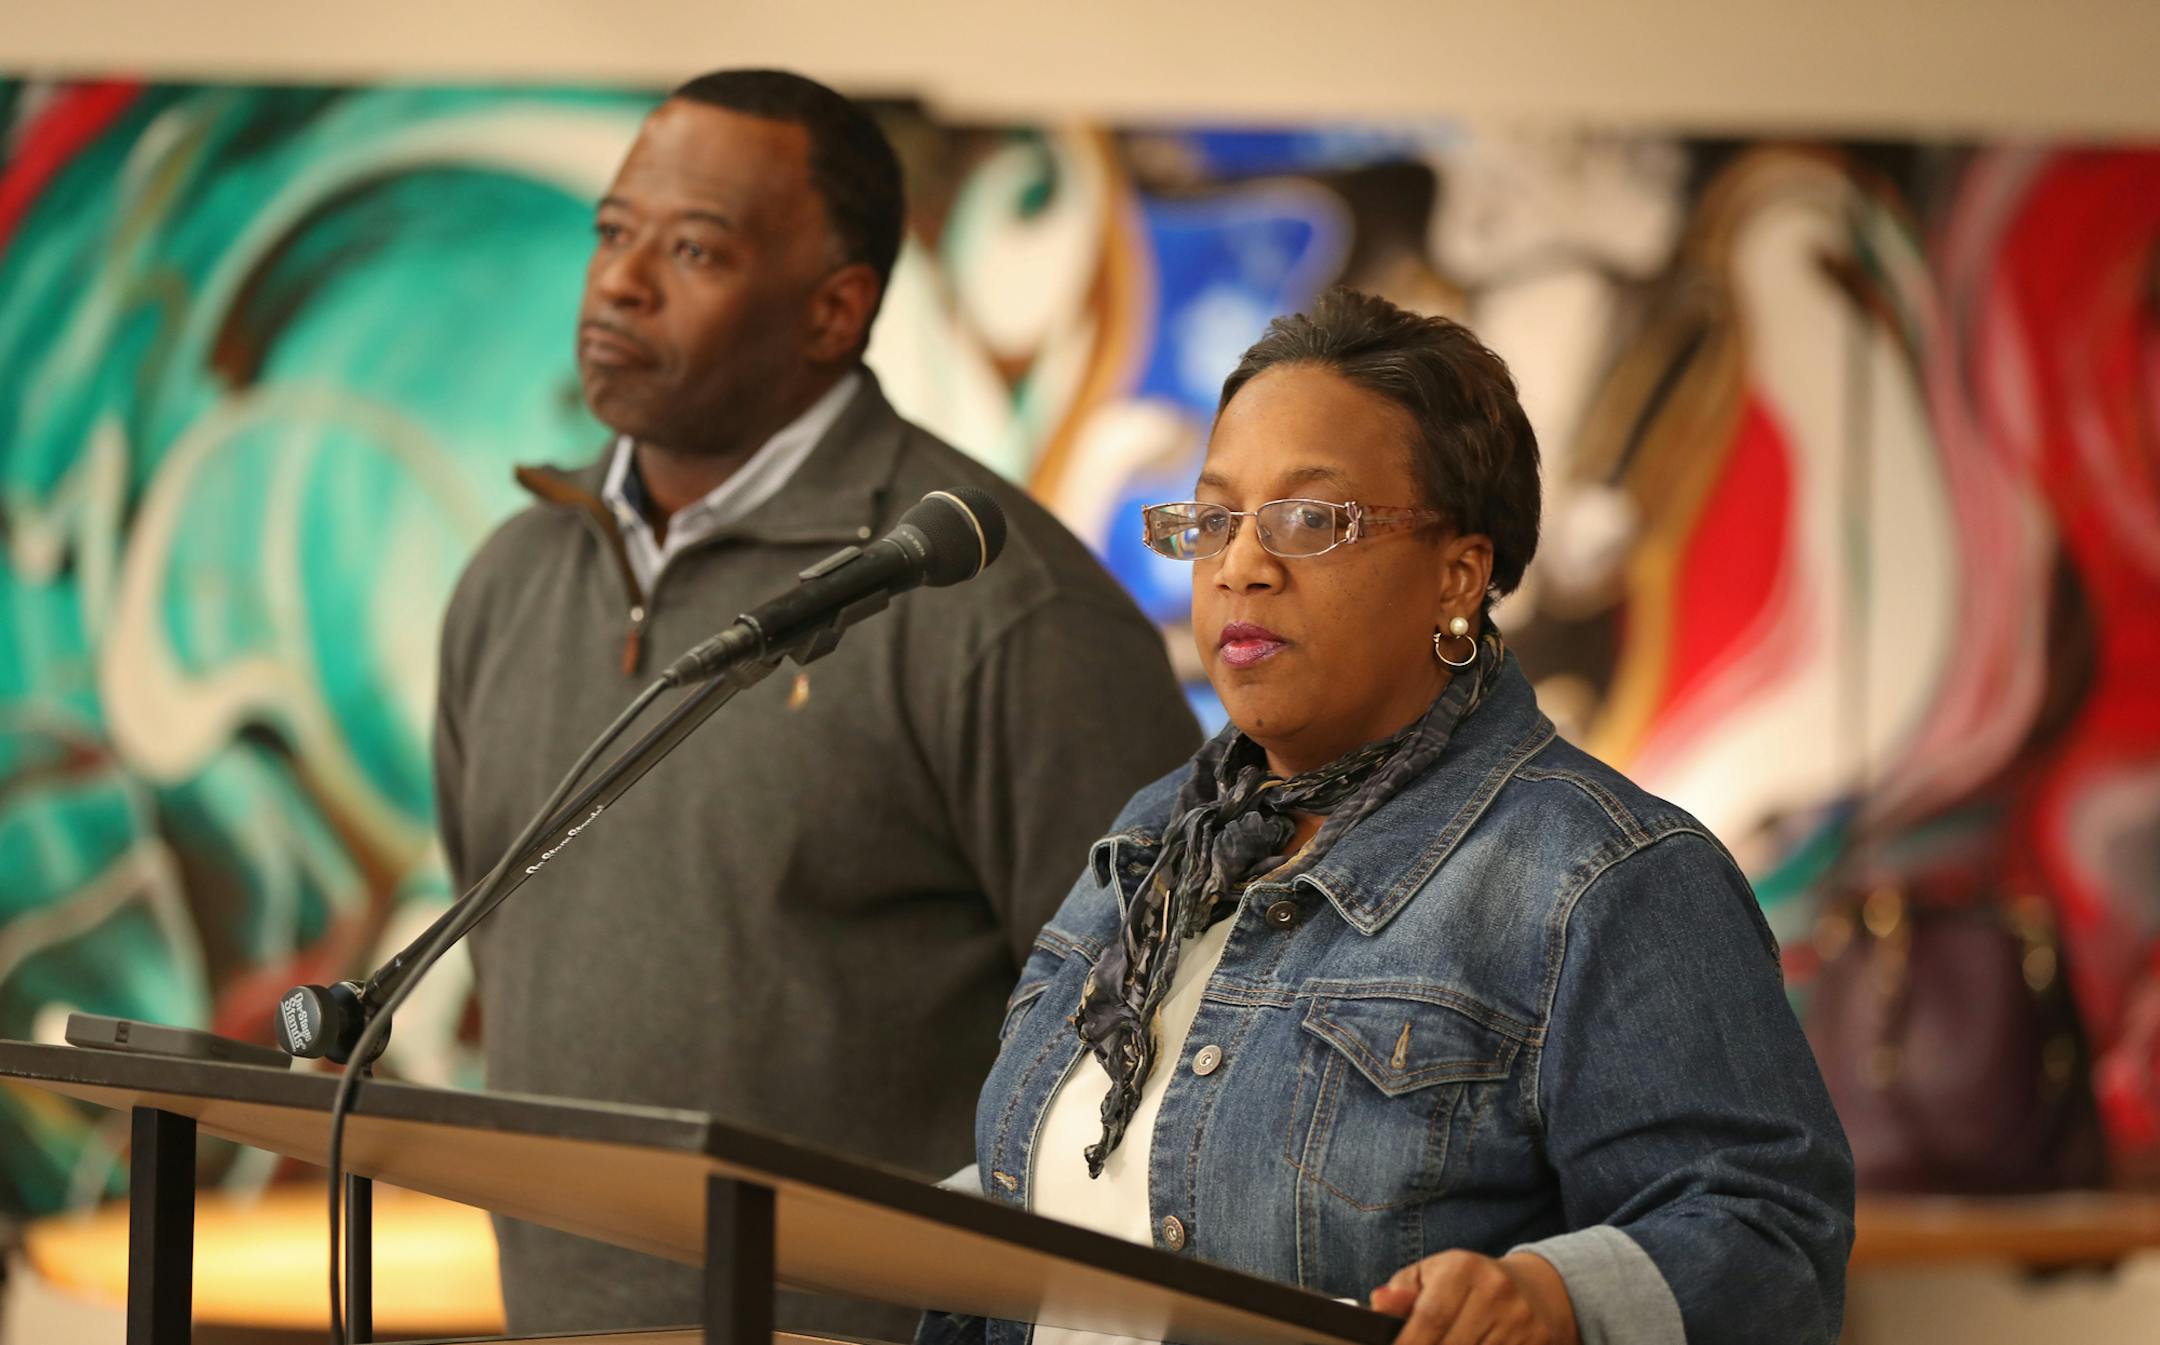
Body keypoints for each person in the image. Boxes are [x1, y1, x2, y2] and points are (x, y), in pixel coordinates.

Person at [432, 69, 1198, 1336]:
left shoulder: (1007, 612)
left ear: (835, 309)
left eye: (693, 248)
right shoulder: (511, 581)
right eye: (614, 233)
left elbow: (1151, 1060)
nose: (622, 281)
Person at [934, 289, 1854, 1345]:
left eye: (1309, 519)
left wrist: (1556, 1299)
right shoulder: (1155, 845)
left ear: (1459, 577)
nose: (1240, 564)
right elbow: (1072, 1200)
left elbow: (1774, 1236)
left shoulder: (1601, 877)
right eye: (1215, 517)